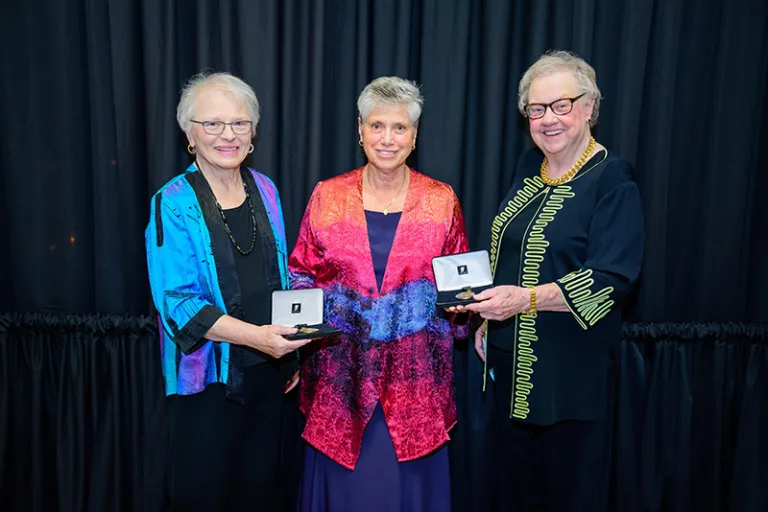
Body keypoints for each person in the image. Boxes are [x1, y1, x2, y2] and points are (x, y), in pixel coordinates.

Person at [455, 50, 645, 511]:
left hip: (570, 381)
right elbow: (510, 255)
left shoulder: (612, 178)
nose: (549, 119)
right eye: (537, 109)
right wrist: (487, 316)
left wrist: (524, 300)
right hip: (509, 377)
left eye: (562, 105)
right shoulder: (528, 167)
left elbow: (613, 278)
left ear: (590, 106)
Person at [289, 76, 469, 512]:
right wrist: (297, 335)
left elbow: (459, 286)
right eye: (377, 126)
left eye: (399, 127)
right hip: (340, 385)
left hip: (416, 387)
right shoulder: (327, 195)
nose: (387, 139)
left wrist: (466, 311)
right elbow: (300, 273)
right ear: (360, 129)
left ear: (415, 134)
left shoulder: (441, 200)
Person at [145, 71, 310, 511]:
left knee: (261, 495)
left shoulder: (266, 189)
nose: (228, 135)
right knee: (206, 497)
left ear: (253, 132)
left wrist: (289, 352)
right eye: (213, 123)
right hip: (207, 385)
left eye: (239, 123)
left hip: (269, 375)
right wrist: (257, 338)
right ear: (190, 133)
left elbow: (279, 277)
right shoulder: (172, 202)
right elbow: (179, 304)